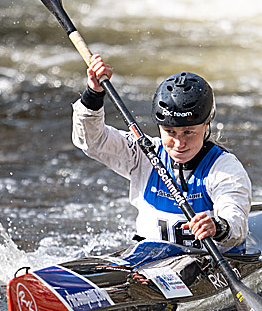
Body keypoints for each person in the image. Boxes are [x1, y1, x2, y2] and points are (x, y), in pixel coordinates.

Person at [72, 54, 251, 249]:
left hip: (206, 261)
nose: (179, 143)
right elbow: (92, 141)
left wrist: (218, 226)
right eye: (170, 132)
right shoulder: (144, 154)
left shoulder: (224, 168)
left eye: (188, 132)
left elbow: (235, 219)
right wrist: (94, 94)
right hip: (149, 259)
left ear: (206, 125)